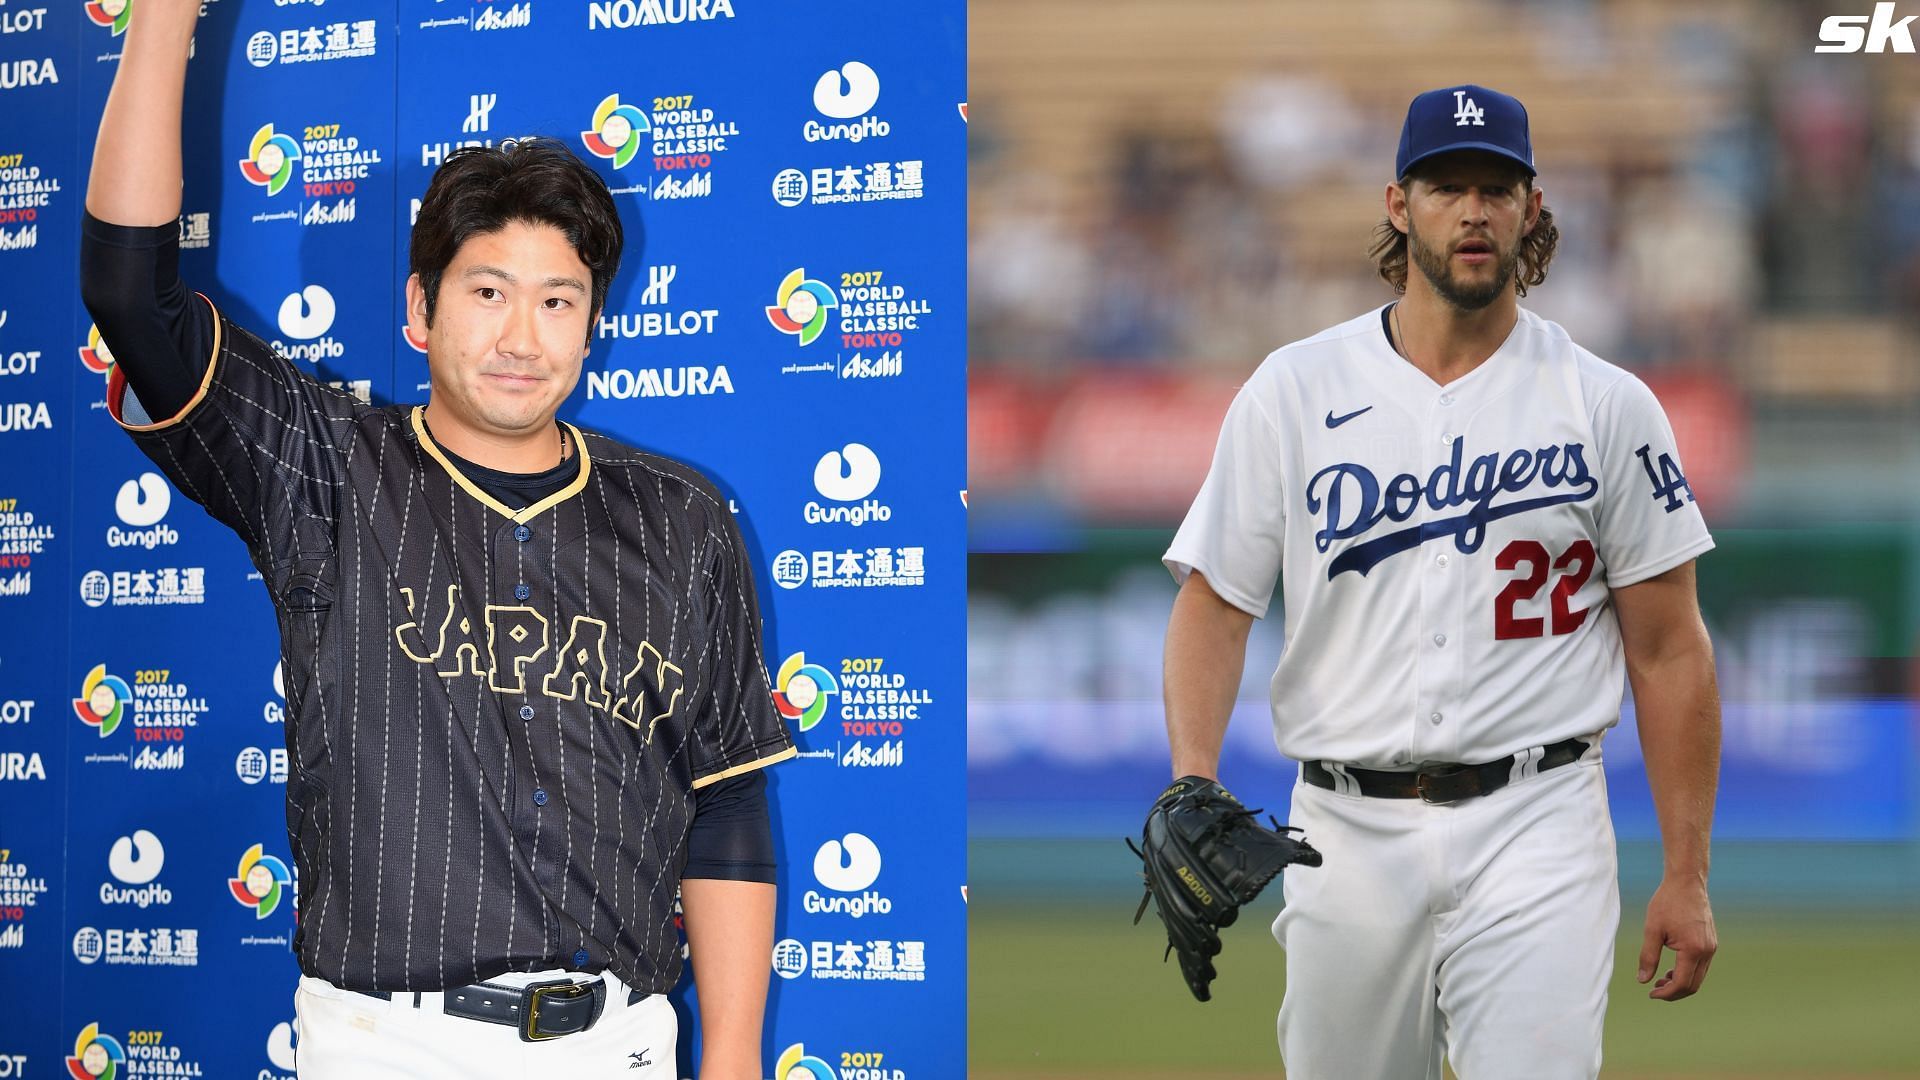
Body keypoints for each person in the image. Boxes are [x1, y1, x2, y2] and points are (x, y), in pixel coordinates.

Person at [79, 1, 794, 1075]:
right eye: (489, 292)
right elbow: (131, 296)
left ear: (594, 323)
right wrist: (168, 18)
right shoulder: (322, 468)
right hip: (386, 1043)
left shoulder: (685, 520)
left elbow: (727, 801)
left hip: (620, 1045)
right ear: (421, 309)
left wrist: (731, 1061)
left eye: (559, 300)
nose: (522, 335)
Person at [1159, 84, 1721, 1078]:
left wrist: (1688, 873)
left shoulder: (1607, 405)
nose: (1474, 211)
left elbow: (1670, 646)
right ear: (1397, 204)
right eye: (1447, 185)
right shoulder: (1295, 389)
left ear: (1532, 208)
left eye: (1497, 188)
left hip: (1538, 821)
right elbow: (1215, 601)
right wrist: (1192, 776)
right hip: (1344, 829)